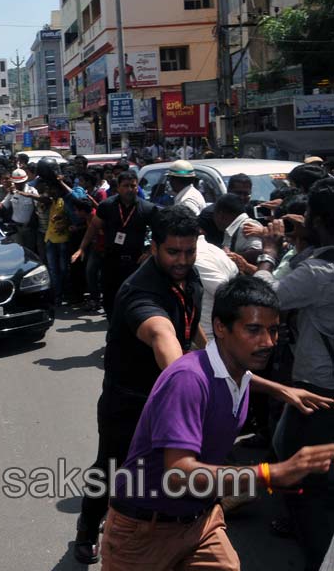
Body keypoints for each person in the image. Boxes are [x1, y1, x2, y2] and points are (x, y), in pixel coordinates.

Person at [100, 276, 334, 570]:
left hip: (202, 520)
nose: (268, 342)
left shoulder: (237, 372)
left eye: (274, 330)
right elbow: (178, 474)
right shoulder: (188, 380)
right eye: (253, 330)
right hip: (143, 529)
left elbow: (244, 380)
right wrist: (270, 473)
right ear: (220, 327)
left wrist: (282, 389)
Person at [75, 206, 205, 564]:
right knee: (111, 468)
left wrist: (214, 363)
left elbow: (188, 329)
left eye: (190, 252)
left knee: (168, 470)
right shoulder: (139, 293)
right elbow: (164, 335)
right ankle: (87, 529)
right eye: (173, 252)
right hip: (129, 401)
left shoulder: (188, 278)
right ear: (153, 248)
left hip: (167, 395)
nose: (182, 260)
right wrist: (190, 385)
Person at [254, 178, 334, 570]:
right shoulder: (317, 262)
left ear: (314, 219)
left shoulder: (320, 272)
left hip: (320, 392)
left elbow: (262, 299)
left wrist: (269, 253)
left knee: (311, 485)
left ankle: (316, 555)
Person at [72, 171, 157, 319]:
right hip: (111, 261)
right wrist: (81, 248)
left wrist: (149, 252)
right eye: (126, 186)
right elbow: (93, 227)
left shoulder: (147, 208)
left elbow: (159, 232)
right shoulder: (107, 205)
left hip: (135, 262)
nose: (130, 189)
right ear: (118, 187)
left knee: (132, 300)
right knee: (111, 299)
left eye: (133, 186)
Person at [214, 193, 263, 263]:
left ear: (220, 215)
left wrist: (229, 257)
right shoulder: (232, 228)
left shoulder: (247, 226)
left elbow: (258, 253)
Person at [0, 168, 38, 248]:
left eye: (20, 183)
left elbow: (38, 209)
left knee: (30, 251)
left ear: (25, 181)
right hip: (16, 228)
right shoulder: (12, 192)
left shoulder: (32, 192)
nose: (18, 185)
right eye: (16, 183)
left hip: (29, 229)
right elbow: (3, 205)